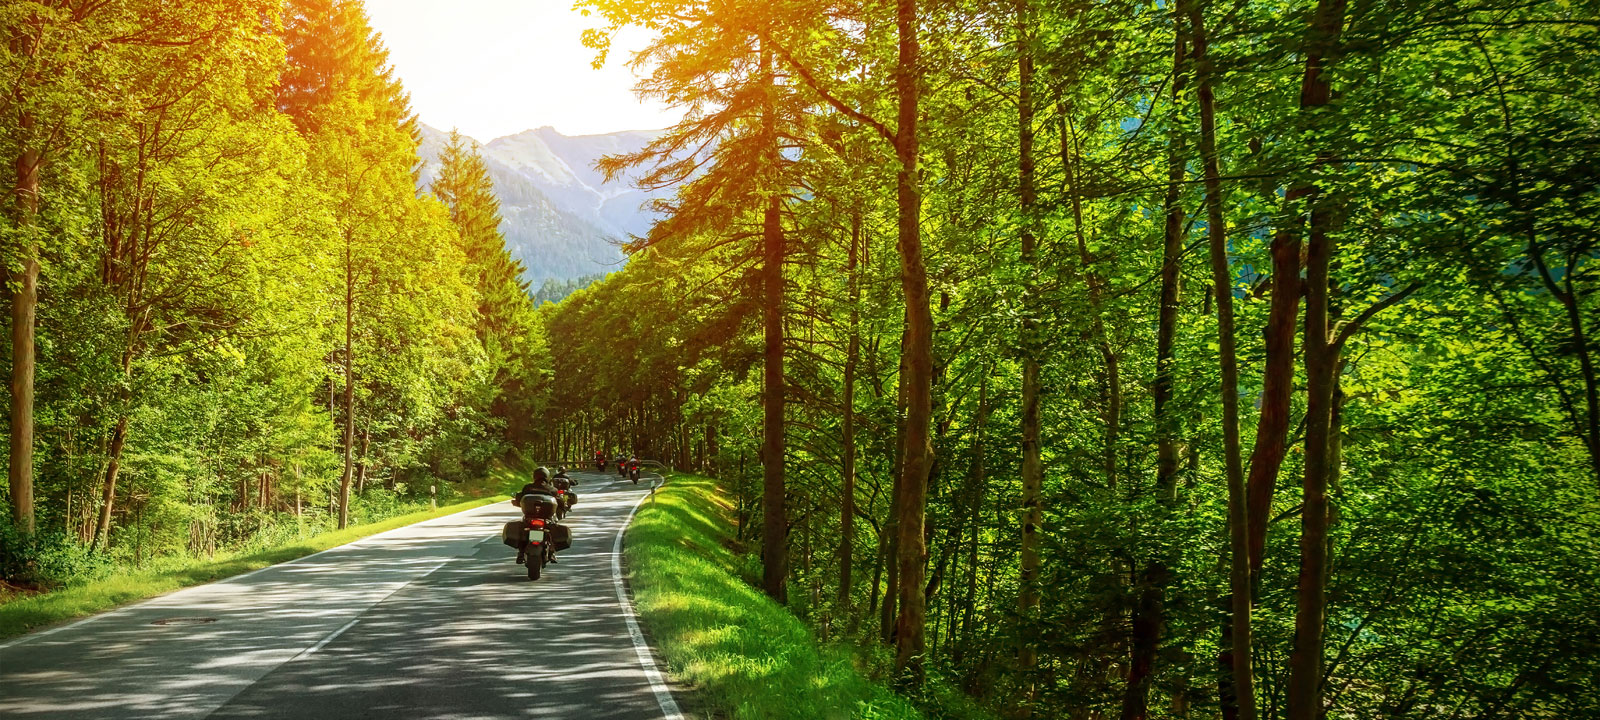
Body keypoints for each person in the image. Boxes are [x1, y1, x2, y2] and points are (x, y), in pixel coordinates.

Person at [514, 467, 561, 564]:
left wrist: (517, 502)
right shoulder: (552, 489)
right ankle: (552, 552)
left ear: (535, 476)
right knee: (554, 527)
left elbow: (519, 498)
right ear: (547, 477)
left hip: (530, 516)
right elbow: (560, 501)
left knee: (523, 529)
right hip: (546, 518)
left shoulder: (528, 487)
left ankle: (521, 553)